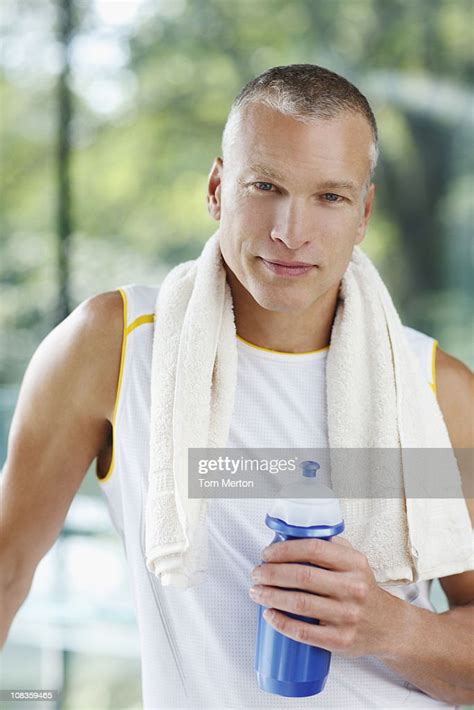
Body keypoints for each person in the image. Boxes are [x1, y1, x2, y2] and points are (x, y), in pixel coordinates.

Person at [1, 64, 473, 709]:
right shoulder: (114, 347)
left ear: (363, 213)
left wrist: (393, 627)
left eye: (329, 197)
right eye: (266, 185)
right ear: (218, 188)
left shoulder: (435, 389)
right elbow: (6, 570)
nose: (290, 230)